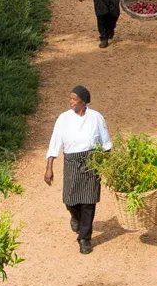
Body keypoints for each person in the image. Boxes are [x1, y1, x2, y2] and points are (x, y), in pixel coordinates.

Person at [44, 85, 112, 254]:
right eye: (70, 98)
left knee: (89, 202)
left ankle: (84, 238)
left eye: (74, 99)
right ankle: (75, 217)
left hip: (91, 162)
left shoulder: (96, 118)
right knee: (70, 199)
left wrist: (107, 165)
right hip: (72, 161)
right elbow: (55, 143)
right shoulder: (63, 119)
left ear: (84, 102)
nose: (71, 102)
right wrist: (49, 168)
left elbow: (106, 143)